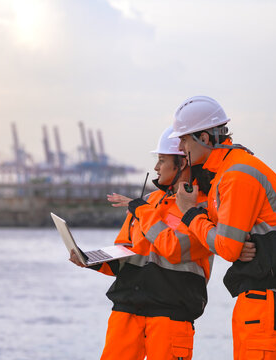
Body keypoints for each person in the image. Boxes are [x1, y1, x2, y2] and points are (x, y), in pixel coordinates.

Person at [171, 95, 276, 359]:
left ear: (205, 139)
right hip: (260, 298)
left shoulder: (236, 175)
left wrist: (189, 214)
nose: (179, 145)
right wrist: (227, 242)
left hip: (267, 300)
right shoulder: (229, 170)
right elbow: (227, 240)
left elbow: (228, 247)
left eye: (184, 138)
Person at [70, 126, 215, 360]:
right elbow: (125, 255)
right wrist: (92, 261)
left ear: (183, 163)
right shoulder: (146, 202)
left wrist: (142, 211)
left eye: (161, 160)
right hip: (126, 312)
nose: (156, 167)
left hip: (171, 317)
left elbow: (175, 249)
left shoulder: (204, 208)